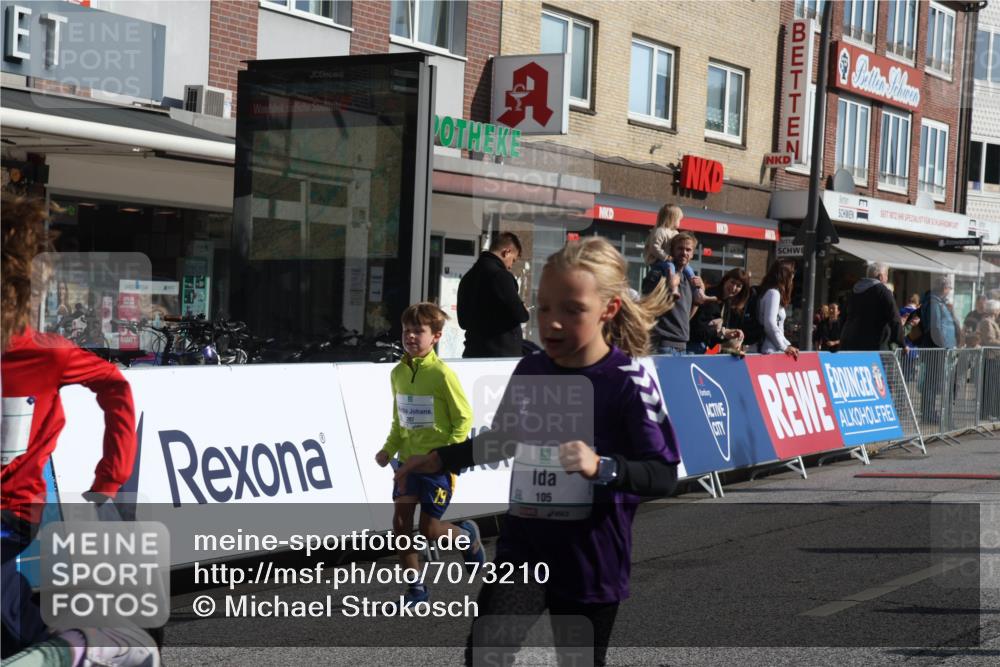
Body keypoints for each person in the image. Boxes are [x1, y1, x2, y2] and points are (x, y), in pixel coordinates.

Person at [394, 237, 679, 667]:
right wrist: (440, 458)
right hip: (523, 550)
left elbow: (662, 473)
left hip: (591, 559)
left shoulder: (627, 380)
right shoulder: (532, 368)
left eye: (572, 310)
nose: (554, 323)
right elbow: (504, 438)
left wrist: (601, 466)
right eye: (544, 308)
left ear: (608, 310)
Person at [1, 193, 159, 665]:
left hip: (11, 512)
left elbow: (116, 388)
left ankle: (90, 647)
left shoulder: (44, 354)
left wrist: (110, 474)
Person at [375, 302, 483, 606]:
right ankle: (416, 590)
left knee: (430, 530)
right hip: (407, 464)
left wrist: (446, 455)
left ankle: (466, 537)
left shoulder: (442, 374)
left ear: (435, 336)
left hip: (436, 465)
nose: (410, 336)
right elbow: (400, 420)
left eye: (418, 331)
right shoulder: (397, 373)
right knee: (400, 524)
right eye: (406, 330)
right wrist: (388, 449)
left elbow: (463, 418)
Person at [457, 232, 530, 358]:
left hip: (473, 352)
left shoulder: (468, 278)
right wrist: (522, 308)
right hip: (501, 355)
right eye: (513, 260)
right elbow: (521, 315)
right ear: (506, 252)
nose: (510, 266)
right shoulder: (501, 276)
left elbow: (463, 322)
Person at [643, 204, 712, 304]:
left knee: (689, 269)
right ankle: (673, 288)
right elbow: (654, 248)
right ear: (672, 219)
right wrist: (666, 257)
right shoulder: (660, 231)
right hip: (660, 260)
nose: (684, 253)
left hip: (670, 260)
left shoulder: (675, 233)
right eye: (679, 219)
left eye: (688, 250)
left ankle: (699, 292)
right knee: (670, 266)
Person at [650, 232, 705, 355]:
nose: (684, 252)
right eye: (680, 248)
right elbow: (649, 305)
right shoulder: (660, 273)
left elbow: (686, 314)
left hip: (682, 344)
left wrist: (698, 299)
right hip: (662, 344)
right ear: (672, 250)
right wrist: (669, 288)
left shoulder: (690, 278)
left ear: (692, 254)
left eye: (688, 249)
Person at [840, 263, 904, 352]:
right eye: (886, 275)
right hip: (873, 344)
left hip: (849, 342)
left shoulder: (854, 290)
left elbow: (843, 316)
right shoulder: (883, 291)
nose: (887, 279)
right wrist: (901, 342)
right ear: (881, 276)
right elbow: (894, 317)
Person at [688, 268, 750, 355]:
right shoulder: (709, 296)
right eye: (732, 282)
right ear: (726, 279)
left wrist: (731, 333)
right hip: (691, 346)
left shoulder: (727, 302)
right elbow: (696, 328)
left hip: (701, 349)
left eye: (739, 286)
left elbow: (718, 333)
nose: (734, 287)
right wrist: (720, 333)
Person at [755, 261, 798, 357]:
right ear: (784, 274)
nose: (793, 277)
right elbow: (770, 323)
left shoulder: (768, 291)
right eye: (792, 273)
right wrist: (784, 346)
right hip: (770, 349)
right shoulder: (773, 293)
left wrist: (786, 344)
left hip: (772, 347)